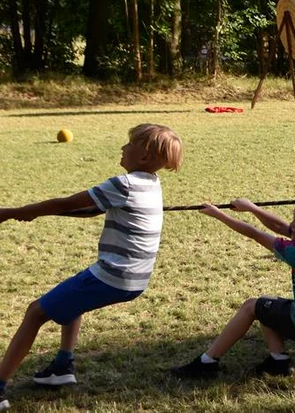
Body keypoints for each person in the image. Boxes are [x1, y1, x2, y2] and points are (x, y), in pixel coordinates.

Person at [0, 124, 183, 410]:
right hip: (134, 278)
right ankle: (62, 367)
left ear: (144, 156)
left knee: (35, 312)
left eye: (129, 144)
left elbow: (67, 202)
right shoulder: (151, 183)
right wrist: (32, 214)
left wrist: (12, 213)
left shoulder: (124, 183)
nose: (123, 148)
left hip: (114, 276)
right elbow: (89, 210)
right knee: (72, 298)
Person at [171, 196, 295, 378]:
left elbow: (254, 233)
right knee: (266, 305)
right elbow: (281, 227)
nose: (292, 224)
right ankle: (279, 362)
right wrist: (252, 208)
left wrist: (218, 215)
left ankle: (207, 362)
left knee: (251, 307)